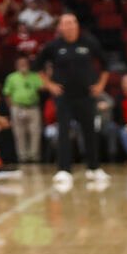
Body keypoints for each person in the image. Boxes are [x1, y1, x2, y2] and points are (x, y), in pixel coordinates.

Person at [41, 13, 109, 188]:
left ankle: (93, 168)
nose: (69, 26)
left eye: (72, 22)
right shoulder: (54, 46)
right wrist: (49, 85)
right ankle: (64, 170)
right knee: (63, 131)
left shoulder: (89, 42)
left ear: (77, 25)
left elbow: (106, 64)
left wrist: (101, 85)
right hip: (64, 97)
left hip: (86, 95)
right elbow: (37, 67)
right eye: (65, 23)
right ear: (60, 27)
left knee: (89, 131)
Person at [2, 54, 45, 164]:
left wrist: (46, 76)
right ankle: (22, 158)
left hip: (33, 107)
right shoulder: (11, 77)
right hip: (17, 107)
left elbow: (43, 87)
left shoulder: (34, 76)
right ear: (16, 65)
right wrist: (12, 107)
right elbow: (7, 94)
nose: (23, 65)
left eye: (25, 63)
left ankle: (34, 157)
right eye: (20, 63)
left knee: (35, 132)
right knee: (19, 133)